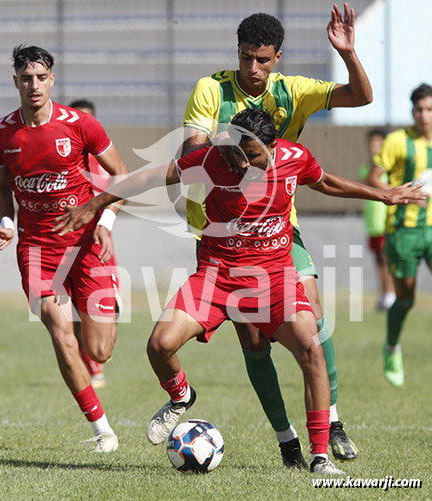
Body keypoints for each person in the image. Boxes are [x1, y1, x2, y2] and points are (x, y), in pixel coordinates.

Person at [53, 108, 423, 473]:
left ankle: (320, 457)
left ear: (273, 146)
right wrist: (97, 202)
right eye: (237, 153)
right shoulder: (214, 157)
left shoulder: (294, 158)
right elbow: (152, 176)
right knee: (159, 345)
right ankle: (181, 396)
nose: (243, 163)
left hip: (273, 277)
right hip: (217, 275)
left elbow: (325, 181)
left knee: (311, 349)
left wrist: (383, 195)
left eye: (253, 155)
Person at [181, 5, 372, 466]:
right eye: (246, 57)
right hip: (220, 228)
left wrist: (348, 53)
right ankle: (287, 440)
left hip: (277, 225)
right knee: (253, 341)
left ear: (277, 57)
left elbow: (360, 97)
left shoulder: (294, 91)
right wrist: (224, 148)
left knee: (312, 313)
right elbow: (189, 148)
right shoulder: (212, 88)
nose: (253, 68)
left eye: (262, 59)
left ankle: (333, 422)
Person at [0, 45, 129, 452]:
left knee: (100, 348)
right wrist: (8, 223)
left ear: (52, 80)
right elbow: (0, 189)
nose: (33, 85)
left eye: (41, 77)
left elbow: (122, 177)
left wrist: (104, 221)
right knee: (59, 331)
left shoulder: (81, 125)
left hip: (85, 246)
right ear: (15, 81)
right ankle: (103, 430)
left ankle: (95, 308)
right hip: (36, 248)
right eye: (26, 78)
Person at [367, 83, 432, 387]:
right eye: (419, 109)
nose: (425, 115)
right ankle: (391, 346)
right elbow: (373, 177)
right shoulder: (397, 142)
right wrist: (394, 193)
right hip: (403, 231)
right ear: (412, 111)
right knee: (405, 297)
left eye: (429, 109)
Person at [69, 98, 112, 389]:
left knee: (100, 320)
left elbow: (120, 192)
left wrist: (105, 223)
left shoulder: (104, 161)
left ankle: (96, 358)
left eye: (91, 121)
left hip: (98, 247)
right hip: (61, 248)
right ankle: (91, 370)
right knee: (68, 314)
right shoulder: (63, 159)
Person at [358, 129, 396, 311]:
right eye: (372, 144)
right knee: (378, 261)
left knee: (387, 259)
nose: (374, 148)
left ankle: (391, 294)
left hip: (386, 223)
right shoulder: (365, 169)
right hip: (372, 223)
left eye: (378, 144)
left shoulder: (389, 169)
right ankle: (384, 294)